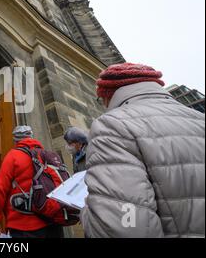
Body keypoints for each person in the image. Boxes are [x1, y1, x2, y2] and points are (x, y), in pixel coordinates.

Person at [81, 63, 205, 238]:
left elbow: (125, 227)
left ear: (108, 95)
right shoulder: (201, 118)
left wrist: (88, 211)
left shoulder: (113, 124)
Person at [0, 126, 64, 238]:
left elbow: (0, 189)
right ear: (32, 136)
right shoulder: (47, 155)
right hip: (53, 220)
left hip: (24, 225)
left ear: (15, 140)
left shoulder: (13, 156)